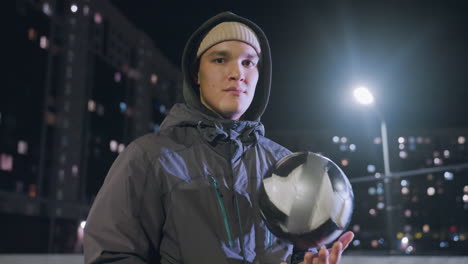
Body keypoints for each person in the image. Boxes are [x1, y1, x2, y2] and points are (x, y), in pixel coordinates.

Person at [84, 11, 354, 264]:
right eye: (220, 59)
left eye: (248, 62)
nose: (237, 74)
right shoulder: (148, 158)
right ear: (196, 74)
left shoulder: (283, 164)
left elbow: (294, 250)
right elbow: (111, 257)